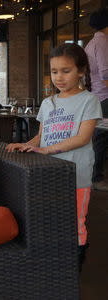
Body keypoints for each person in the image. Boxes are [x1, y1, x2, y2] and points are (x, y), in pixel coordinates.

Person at [6, 43, 102, 272]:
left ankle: (73, 268)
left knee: (75, 222)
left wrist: (47, 150)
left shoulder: (89, 100)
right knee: (50, 220)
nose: (59, 77)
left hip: (76, 174)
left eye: (66, 71)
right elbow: (43, 135)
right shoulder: (49, 103)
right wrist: (26, 145)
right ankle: (53, 265)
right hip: (47, 173)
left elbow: (83, 138)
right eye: (54, 71)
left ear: (81, 71)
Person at [85, 8, 108, 191]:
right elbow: (105, 72)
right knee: (100, 138)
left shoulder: (91, 43)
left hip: (97, 96)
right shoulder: (102, 42)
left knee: (99, 138)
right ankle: (96, 178)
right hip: (105, 96)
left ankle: (95, 176)